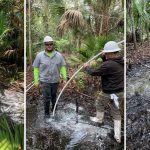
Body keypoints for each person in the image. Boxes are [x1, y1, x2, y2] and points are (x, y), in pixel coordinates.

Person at [83, 41, 124, 143]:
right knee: (116, 111)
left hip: (108, 92)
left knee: (99, 103)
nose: (105, 55)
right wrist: (104, 56)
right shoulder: (121, 60)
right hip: (119, 92)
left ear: (110, 53)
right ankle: (117, 135)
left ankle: (99, 119)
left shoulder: (108, 64)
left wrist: (86, 68)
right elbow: (108, 64)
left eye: (106, 53)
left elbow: (95, 72)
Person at [33, 36, 67, 118]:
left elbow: (62, 67)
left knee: (54, 97)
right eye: (47, 44)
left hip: (55, 80)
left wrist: (65, 78)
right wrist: (36, 81)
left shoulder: (59, 55)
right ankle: (47, 114)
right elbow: (36, 68)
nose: (49, 46)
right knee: (46, 98)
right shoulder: (39, 56)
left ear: (53, 44)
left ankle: (54, 112)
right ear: (44, 45)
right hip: (44, 81)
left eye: (50, 44)